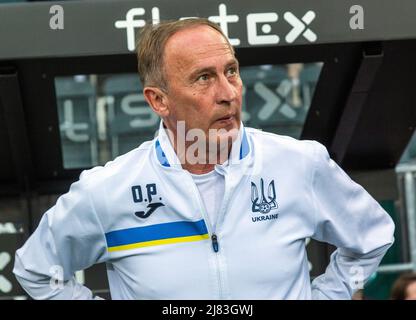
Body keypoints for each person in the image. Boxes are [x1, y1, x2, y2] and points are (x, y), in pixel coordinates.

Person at [13, 18, 395, 300]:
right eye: (203, 78)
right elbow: (35, 271)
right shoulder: (106, 189)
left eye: (231, 71)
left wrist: (330, 295)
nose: (228, 92)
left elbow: (373, 236)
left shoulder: (299, 163)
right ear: (158, 100)